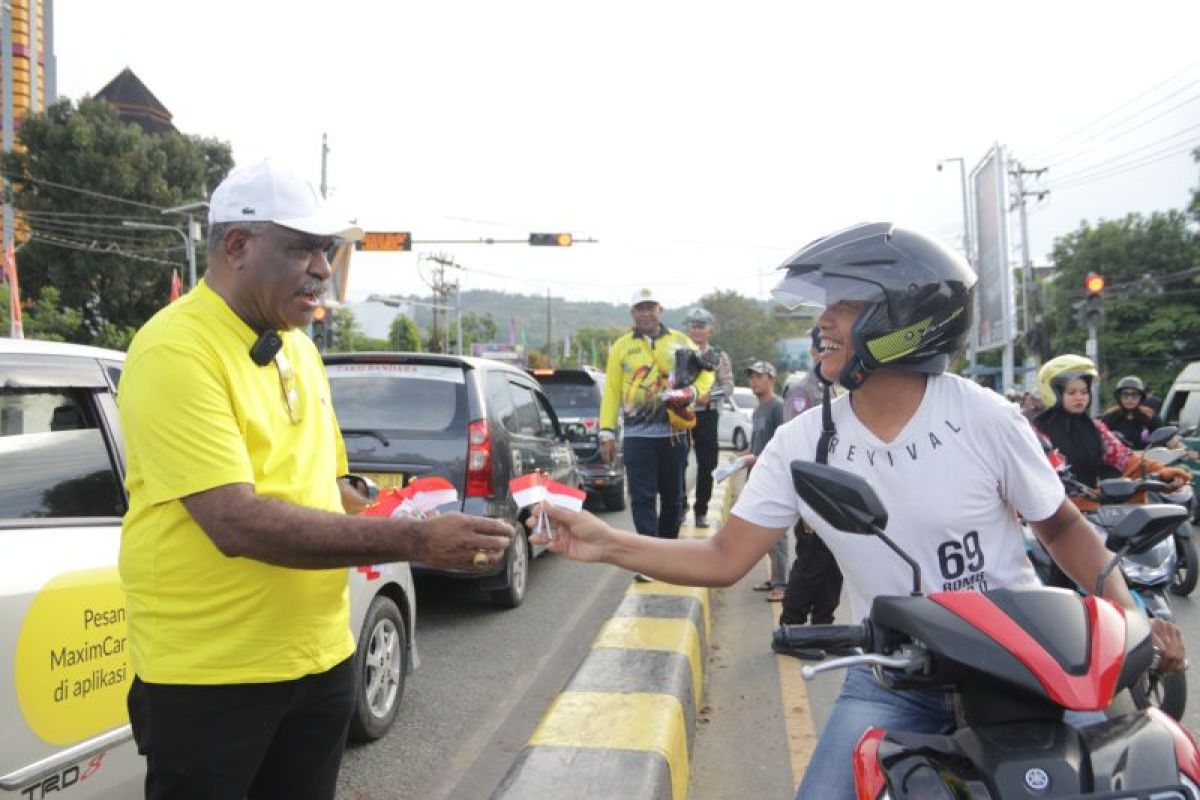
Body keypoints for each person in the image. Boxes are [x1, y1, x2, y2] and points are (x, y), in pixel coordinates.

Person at [530, 223, 1187, 800]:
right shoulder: (803, 440)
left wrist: (1129, 620)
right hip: (895, 677)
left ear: (902, 317)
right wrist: (605, 543)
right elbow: (723, 557)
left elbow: (1063, 526)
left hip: (1023, 668)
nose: (824, 322)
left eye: (844, 305)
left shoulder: (982, 416)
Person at [118, 161, 514, 800]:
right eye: (302, 247)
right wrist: (411, 543)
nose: (324, 268)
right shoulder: (176, 350)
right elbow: (234, 521)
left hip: (322, 655)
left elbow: (326, 484)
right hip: (213, 675)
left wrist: (405, 514)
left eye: (326, 249)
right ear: (238, 246)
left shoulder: (297, 344)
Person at [599, 288, 713, 550]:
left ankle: (667, 550)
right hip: (637, 437)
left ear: (660, 310)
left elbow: (707, 373)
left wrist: (693, 392)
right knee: (641, 498)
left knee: (674, 498)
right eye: (641, 308)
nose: (646, 313)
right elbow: (611, 393)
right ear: (633, 312)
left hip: (672, 434)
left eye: (651, 307)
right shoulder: (621, 346)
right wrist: (606, 433)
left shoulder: (680, 340)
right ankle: (649, 555)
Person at [777, 337, 845, 628]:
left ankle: (823, 626)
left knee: (835, 565)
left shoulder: (843, 389)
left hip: (840, 491)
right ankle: (790, 628)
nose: (829, 354)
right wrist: (804, 502)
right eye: (824, 349)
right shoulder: (801, 391)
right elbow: (794, 450)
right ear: (814, 352)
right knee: (810, 565)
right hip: (814, 492)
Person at [683, 306, 734, 528]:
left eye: (701, 326)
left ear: (709, 331)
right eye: (693, 326)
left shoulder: (718, 356)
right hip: (681, 414)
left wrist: (709, 396)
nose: (696, 331)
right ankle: (680, 506)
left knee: (707, 464)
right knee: (677, 464)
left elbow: (728, 386)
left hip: (708, 414)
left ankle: (701, 511)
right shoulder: (680, 353)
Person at [741, 361, 788, 600]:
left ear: (771, 379)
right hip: (757, 475)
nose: (754, 381)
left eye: (759, 376)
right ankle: (775, 578)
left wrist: (755, 459)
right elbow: (757, 442)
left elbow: (782, 445)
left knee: (776, 533)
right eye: (751, 377)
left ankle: (782, 584)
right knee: (762, 528)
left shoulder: (778, 407)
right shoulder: (759, 409)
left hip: (774, 477)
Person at [1100, 375, 1166, 449]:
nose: (1129, 399)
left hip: (1145, 458)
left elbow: (1167, 439)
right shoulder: (1109, 417)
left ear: (1141, 397)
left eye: (1134, 395)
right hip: (1116, 459)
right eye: (1125, 395)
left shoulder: (1150, 416)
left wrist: (1179, 449)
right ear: (1119, 397)